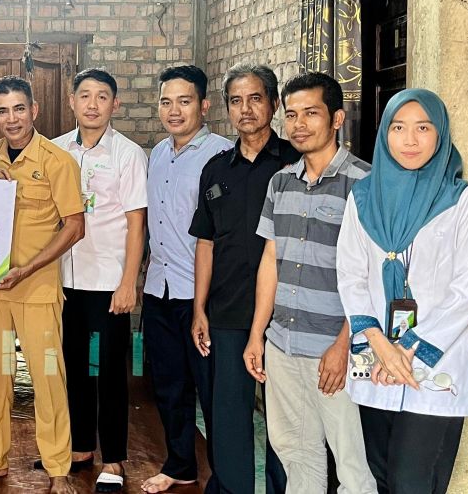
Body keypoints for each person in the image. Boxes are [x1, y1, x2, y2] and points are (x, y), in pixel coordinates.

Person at [337, 89, 468, 493]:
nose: (410, 140)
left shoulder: (461, 200)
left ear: (440, 134)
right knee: (382, 476)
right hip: (376, 359)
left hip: (432, 364)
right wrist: (380, 344)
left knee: (412, 481)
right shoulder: (363, 198)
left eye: (423, 128)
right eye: (398, 128)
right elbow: (350, 275)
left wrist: (407, 349)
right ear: (385, 133)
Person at [243, 72, 376, 493]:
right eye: (292, 114)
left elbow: (375, 277)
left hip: (336, 350)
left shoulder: (365, 185)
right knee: (296, 455)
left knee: (353, 464)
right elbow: (271, 261)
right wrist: (257, 335)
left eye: (311, 113)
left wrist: (343, 345)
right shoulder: (280, 182)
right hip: (283, 343)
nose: (298, 124)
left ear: (336, 119)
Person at [0, 75, 84, 494]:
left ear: (34, 110)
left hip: (36, 290)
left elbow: (74, 227)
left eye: (20, 109)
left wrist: (27, 269)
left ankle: (58, 467)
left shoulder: (57, 161)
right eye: (3, 111)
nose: (13, 119)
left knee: (47, 379)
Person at [188, 63, 295, 494]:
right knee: (229, 416)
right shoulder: (216, 170)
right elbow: (206, 242)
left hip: (287, 313)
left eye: (255, 99)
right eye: (236, 101)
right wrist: (199, 308)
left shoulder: (295, 163)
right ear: (227, 108)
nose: (245, 109)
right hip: (228, 310)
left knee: (285, 420)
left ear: (273, 104)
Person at [50, 68, 147, 493]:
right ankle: (81, 447)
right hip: (62, 278)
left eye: (102, 96)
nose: (92, 104)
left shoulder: (128, 154)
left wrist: (129, 282)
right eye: (85, 95)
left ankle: (115, 458)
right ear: (71, 101)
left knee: (108, 370)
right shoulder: (55, 150)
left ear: (115, 104)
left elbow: (137, 223)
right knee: (72, 365)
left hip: (109, 279)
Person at [141, 65, 232, 494]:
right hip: (159, 289)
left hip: (202, 296)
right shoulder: (158, 154)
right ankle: (180, 465)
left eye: (184, 101)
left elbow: (224, 234)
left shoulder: (222, 156)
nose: (174, 110)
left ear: (204, 105)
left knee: (212, 392)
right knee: (169, 386)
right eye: (166, 102)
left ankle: (226, 477)